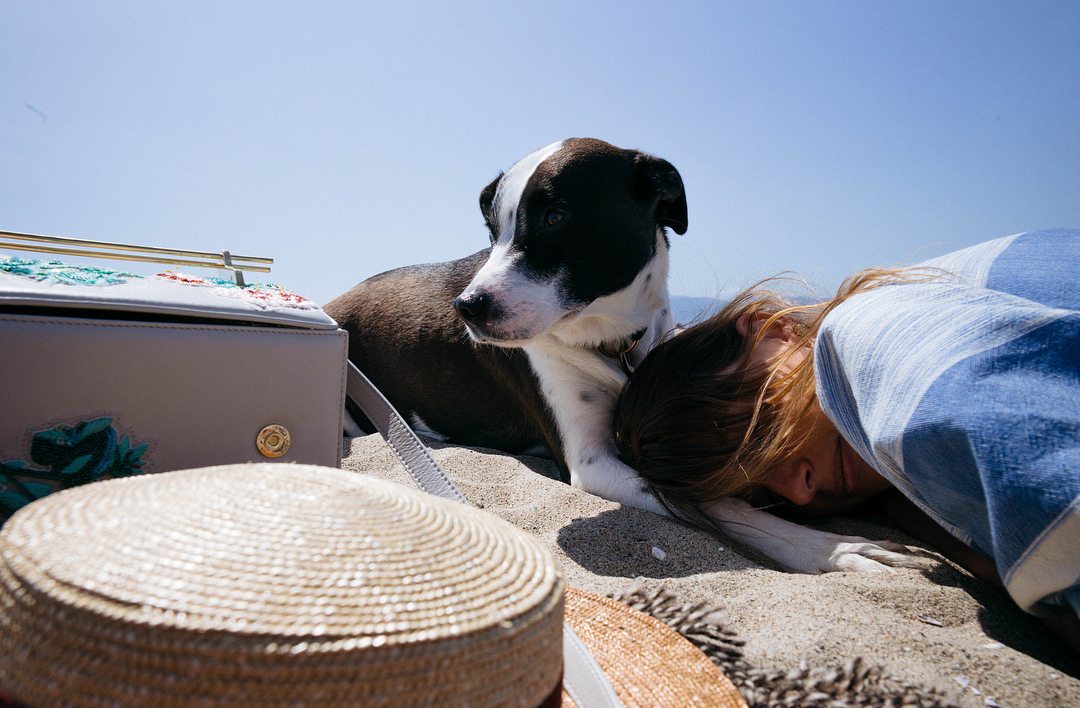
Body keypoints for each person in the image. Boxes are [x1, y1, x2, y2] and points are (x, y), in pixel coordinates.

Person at [613, 228, 1079, 647]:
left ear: (771, 328)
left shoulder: (867, 336)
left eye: (761, 425)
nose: (800, 489)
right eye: (759, 494)